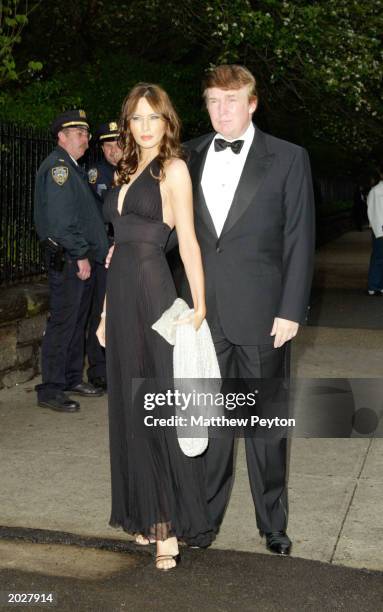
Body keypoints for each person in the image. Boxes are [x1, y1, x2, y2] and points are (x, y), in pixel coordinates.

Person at [182, 65, 315, 555]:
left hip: (264, 316)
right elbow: (173, 225)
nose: (222, 111)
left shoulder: (287, 157)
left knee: (266, 429)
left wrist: (291, 309)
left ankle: (273, 523)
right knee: (210, 426)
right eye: (214, 100)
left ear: (253, 103)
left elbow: (300, 238)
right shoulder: (188, 154)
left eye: (232, 100)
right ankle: (204, 521)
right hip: (204, 315)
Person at [96, 83, 215, 570]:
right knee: (129, 403)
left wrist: (201, 303)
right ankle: (145, 515)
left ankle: (168, 527)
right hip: (120, 294)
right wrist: (104, 313)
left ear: (167, 121)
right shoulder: (125, 168)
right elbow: (116, 249)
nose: (144, 127)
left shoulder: (174, 168)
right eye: (136, 119)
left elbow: (187, 239)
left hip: (152, 292)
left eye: (153, 118)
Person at [34, 110, 109, 413]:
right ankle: (51, 387)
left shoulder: (72, 167)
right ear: (61, 137)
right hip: (69, 259)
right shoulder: (59, 169)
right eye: (79, 133)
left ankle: (70, 377)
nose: (86, 139)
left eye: (86, 133)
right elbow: (63, 221)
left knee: (77, 322)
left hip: (78, 257)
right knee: (64, 323)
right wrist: (80, 255)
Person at [86, 122, 122, 390]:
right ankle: (99, 370)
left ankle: (118, 366)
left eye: (118, 144)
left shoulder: (132, 171)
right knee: (101, 310)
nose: (113, 150)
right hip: (104, 251)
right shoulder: (97, 173)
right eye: (107, 145)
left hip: (127, 249)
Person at [366, 164, 383, 296]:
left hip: (379, 230)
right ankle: (376, 285)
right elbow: (371, 211)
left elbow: (370, 210)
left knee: (377, 258)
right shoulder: (375, 191)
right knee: (378, 258)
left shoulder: (374, 191)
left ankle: (375, 286)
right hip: (380, 230)